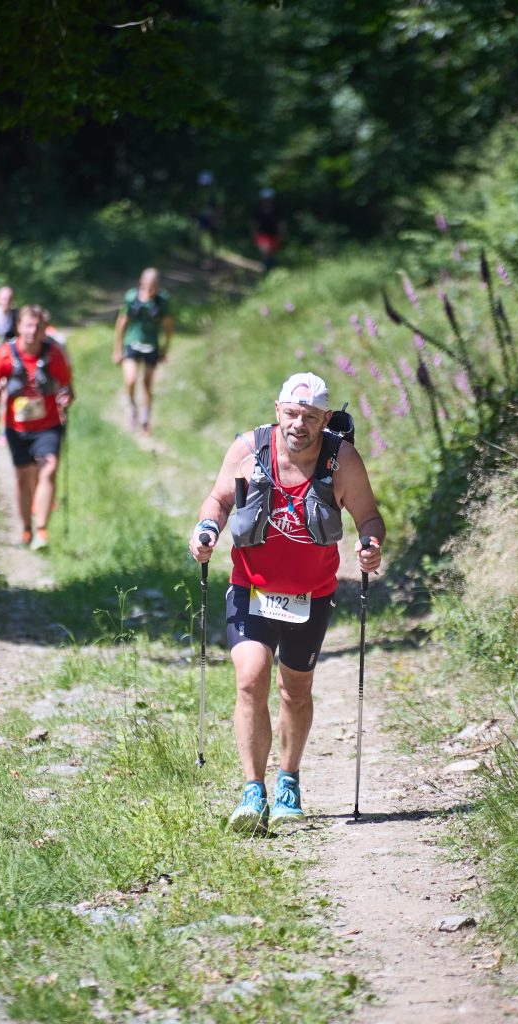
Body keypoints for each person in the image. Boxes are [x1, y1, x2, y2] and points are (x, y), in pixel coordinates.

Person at [188, 372, 385, 834]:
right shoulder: (248, 450)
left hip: (311, 595)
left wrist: (370, 546)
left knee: (295, 690)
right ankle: (252, 791)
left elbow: (368, 517)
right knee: (250, 680)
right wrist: (206, 531)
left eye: (311, 416)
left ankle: (288, 782)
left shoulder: (342, 460)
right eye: (292, 413)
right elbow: (216, 500)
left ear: (326, 419)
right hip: (251, 587)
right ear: (278, 411)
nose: (300, 424)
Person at [0, 305, 74, 551]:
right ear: (19, 327)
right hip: (17, 427)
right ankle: (26, 528)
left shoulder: (53, 355)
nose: (33, 331)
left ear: (44, 329)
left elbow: (68, 388)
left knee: (49, 468)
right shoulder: (4, 354)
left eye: (38, 326)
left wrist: (66, 397)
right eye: (28, 325)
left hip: (49, 425)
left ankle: (41, 530)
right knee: (23, 478)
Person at [112, 268, 174, 434]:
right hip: (131, 344)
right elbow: (121, 323)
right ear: (142, 283)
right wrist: (117, 349)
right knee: (130, 380)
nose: (151, 290)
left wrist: (166, 349)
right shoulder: (132, 298)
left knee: (147, 383)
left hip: (151, 346)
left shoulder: (162, 301)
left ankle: (146, 419)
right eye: (148, 286)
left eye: (154, 287)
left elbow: (168, 326)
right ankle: (132, 409)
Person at [251, 187, 284, 272]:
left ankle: (270, 267)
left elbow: (281, 223)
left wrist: (281, 233)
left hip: (274, 234)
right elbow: (254, 223)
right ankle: (266, 267)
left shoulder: (277, 209)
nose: (267, 201)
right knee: (264, 250)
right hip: (262, 234)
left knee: (272, 253)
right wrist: (254, 234)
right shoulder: (258, 210)